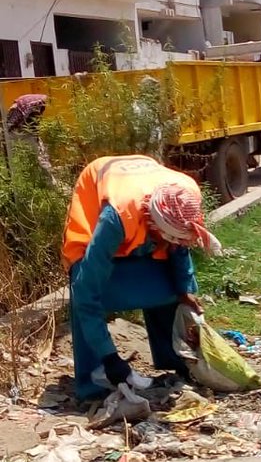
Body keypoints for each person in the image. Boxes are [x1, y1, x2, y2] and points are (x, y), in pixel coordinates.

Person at [62, 154, 223, 400]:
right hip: (96, 215)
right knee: (84, 284)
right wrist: (110, 357)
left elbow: (178, 249)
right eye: (165, 237)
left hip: (137, 197)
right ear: (152, 224)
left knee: (169, 287)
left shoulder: (186, 193)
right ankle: (95, 381)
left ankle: (172, 357)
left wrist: (183, 291)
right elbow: (87, 292)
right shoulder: (115, 218)